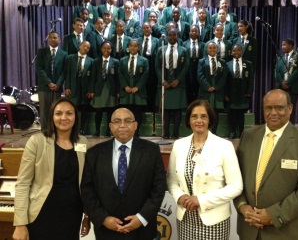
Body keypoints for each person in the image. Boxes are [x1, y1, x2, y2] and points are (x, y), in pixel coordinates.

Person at [233, 89, 298, 239]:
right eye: (268, 108)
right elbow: (235, 176)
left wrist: (273, 215)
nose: (273, 112)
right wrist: (242, 205)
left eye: (279, 108)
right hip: (250, 229)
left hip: (287, 231)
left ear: (290, 108)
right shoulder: (248, 136)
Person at [81, 108, 166, 240]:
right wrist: (102, 218)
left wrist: (142, 217)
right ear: (110, 126)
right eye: (117, 121)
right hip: (106, 230)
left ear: (135, 125)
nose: (122, 125)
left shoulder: (151, 150)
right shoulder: (94, 153)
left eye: (127, 121)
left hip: (142, 230)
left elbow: (159, 188)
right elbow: (87, 189)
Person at [13, 97, 90, 240]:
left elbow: (85, 183)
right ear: (51, 116)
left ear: (75, 116)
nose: (64, 118)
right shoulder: (37, 141)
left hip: (72, 215)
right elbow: (23, 184)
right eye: (58, 113)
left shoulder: (83, 142)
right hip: (42, 214)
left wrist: (87, 214)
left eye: (69, 113)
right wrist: (20, 224)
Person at [167, 99, 243, 239]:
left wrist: (201, 200)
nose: (199, 120)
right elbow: (171, 180)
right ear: (188, 120)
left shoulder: (224, 146)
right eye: (194, 116)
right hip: (185, 219)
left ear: (210, 120)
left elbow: (236, 186)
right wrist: (180, 197)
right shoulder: (179, 145)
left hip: (213, 220)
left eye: (203, 116)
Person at [155, 28, 189, 139]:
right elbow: (157, 66)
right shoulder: (161, 49)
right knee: (166, 109)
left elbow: (186, 66)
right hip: (165, 81)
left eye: (174, 35)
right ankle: (166, 133)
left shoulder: (183, 50)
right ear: (167, 36)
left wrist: (178, 80)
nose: (172, 37)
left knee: (177, 109)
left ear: (178, 36)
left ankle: (175, 132)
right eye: (170, 35)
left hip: (177, 82)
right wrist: (162, 80)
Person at [36, 31, 67, 131]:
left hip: (57, 88)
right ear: (48, 39)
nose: (53, 39)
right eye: (51, 38)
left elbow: (64, 71)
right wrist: (49, 82)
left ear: (60, 39)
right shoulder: (42, 52)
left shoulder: (64, 54)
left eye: (55, 38)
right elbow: (39, 68)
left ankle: (55, 129)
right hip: (44, 86)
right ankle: (44, 130)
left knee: (56, 110)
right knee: (44, 110)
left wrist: (58, 84)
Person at [118, 39, 149, 137]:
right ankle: (127, 131)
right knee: (126, 113)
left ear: (139, 47)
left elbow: (146, 74)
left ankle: (136, 131)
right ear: (128, 47)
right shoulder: (122, 60)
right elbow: (120, 73)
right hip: (126, 91)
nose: (133, 48)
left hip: (138, 91)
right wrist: (125, 86)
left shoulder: (144, 60)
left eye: (135, 46)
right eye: (131, 46)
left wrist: (137, 87)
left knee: (137, 112)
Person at [89, 40, 119, 137]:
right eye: (104, 48)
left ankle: (108, 131)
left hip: (111, 89)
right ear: (101, 49)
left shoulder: (115, 61)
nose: (106, 50)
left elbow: (117, 78)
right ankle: (97, 131)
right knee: (99, 111)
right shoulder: (95, 62)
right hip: (99, 90)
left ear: (111, 49)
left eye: (108, 48)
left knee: (110, 112)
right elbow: (92, 77)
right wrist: (91, 90)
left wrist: (118, 91)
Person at [198, 41, 228, 135]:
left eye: (214, 48)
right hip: (206, 90)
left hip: (217, 91)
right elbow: (200, 75)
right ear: (207, 50)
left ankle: (214, 132)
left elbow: (224, 77)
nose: (212, 50)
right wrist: (207, 87)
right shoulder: (202, 61)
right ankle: (205, 132)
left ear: (217, 49)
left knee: (215, 113)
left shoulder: (222, 62)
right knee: (205, 112)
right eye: (210, 48)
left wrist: (216, 87)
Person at [65, 41, 94, 135]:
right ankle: (73, 128)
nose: (86, 48)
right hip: (73, 86)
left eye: (88, 47)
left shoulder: (91, 60)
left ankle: (82, 129)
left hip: (85, 87)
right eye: (84, 46)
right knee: (73, 107)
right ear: (79, 46)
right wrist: (67, 87)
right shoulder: (70, 58)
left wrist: (90, 90)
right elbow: (67, 73)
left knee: (84, 108)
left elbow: (92, 77)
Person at [225, 44, 254, 139]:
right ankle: (232, 131)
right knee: (232, 114)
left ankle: (241, 132)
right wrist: (226, 94)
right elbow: (225, 81)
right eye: (234, 50)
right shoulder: (227, 64)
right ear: (231, 52)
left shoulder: (248, 64)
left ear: (241, 52)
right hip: (231, 92)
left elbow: (250, 80)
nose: (236, 52)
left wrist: (249, 91)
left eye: (238, 50)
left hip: (243, 92)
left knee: (241, 115)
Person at [274, 38, 298, 124]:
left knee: (290, 109)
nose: (282, 47)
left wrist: (288, 82)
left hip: (293, 88)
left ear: (290, 46)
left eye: (284, 45)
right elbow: (276, 72)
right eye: (282, 45)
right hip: (281, 88)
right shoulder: (280, 58)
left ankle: (290, 129)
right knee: (281, 108)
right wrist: (282, 82)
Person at [137, 22, 160, 112]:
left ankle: (151, 109)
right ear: (142, 30)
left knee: (151, 89)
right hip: (141, 66)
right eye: (144, 28)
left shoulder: (156, 40)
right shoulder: (138, 40)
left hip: (152, 66)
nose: (146, 30)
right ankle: (143, 109)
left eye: (148, 28)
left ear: (151, 29)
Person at [183, 24, 205, 104]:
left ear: (199, 33)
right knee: (189, 89)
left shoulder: (202, 45)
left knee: (197, 88)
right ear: (189, 32)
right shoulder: (184, 44)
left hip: (198, 68)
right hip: (188, 69)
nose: (194, 33)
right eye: (192, 31)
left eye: (196, 31)